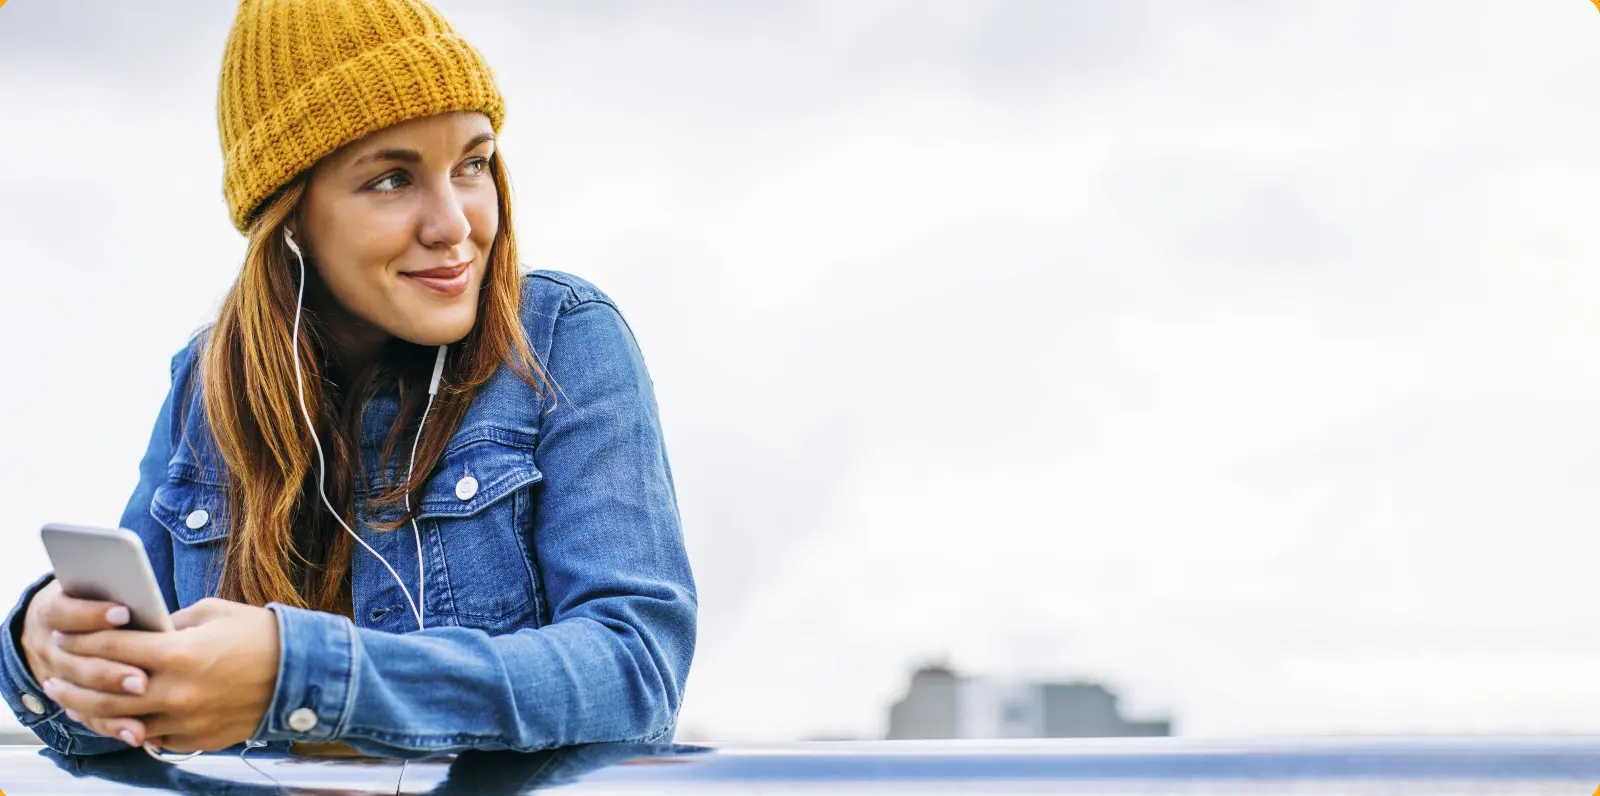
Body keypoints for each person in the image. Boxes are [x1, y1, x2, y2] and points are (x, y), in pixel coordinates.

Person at [0, 0, 696, 758]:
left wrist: (299, 676)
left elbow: (636, 676)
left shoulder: (563, 339)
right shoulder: (208, 385)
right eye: (393, 179)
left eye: (471, 164)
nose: (455, 225)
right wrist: (47, 652)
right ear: (290, 217)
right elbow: (118, 722)